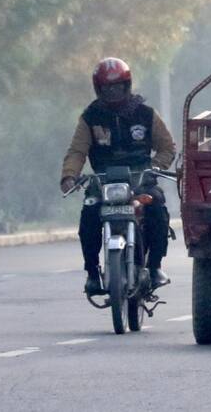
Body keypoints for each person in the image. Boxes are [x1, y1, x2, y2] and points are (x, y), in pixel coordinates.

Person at [61, 58, 177, 295]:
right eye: (107, 88)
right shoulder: (90, 117)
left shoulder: (146, 114)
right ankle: (92, 274)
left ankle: (155, 267)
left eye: (117, 86)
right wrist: (70, 175)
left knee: (157, 209)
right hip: (103, 181)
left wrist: (154, 167)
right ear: (98, 89)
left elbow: (167, 148)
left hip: (141, 179)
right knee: (89, 214)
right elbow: (77, 151)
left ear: (127, 86)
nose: (113, 92)